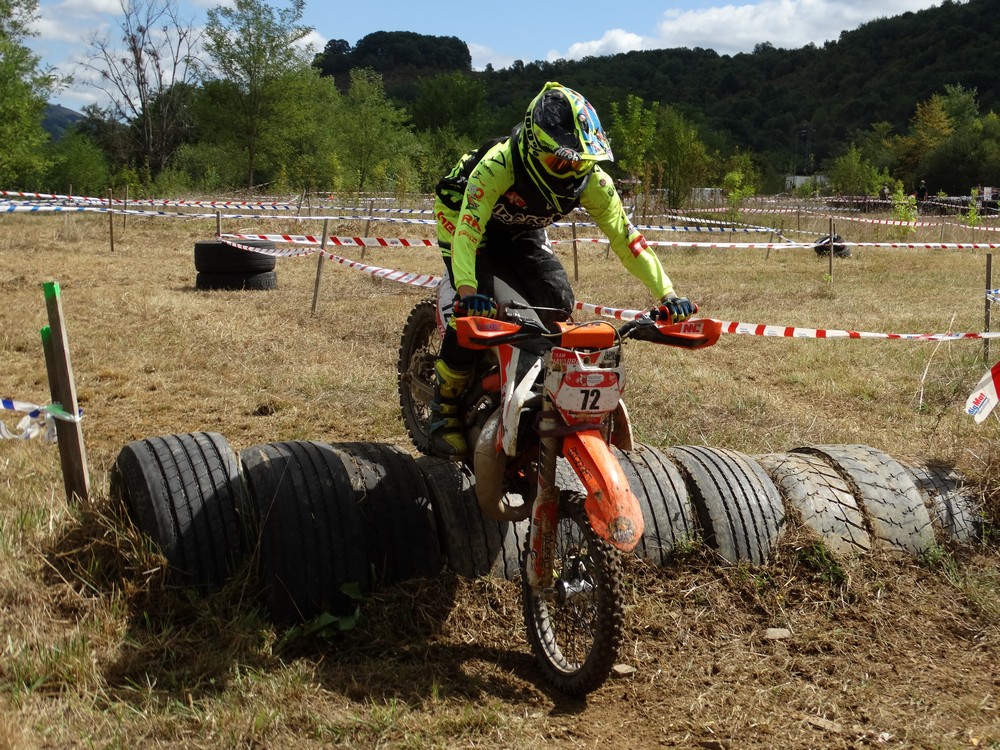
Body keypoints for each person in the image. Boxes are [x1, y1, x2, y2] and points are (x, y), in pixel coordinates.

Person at [429, 81, 696, 458]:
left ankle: (527, 381)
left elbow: (625, 236)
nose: (571, 171)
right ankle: (443, 409)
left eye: (581, 162)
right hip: (464, 217)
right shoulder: (498, 165)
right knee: (474, 309)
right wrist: (469, 293)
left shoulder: (594, 183)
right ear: (533, 149)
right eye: (561, 161)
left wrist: (667, 293)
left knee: (557, 303)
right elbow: (469, 232)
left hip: (522, 226)